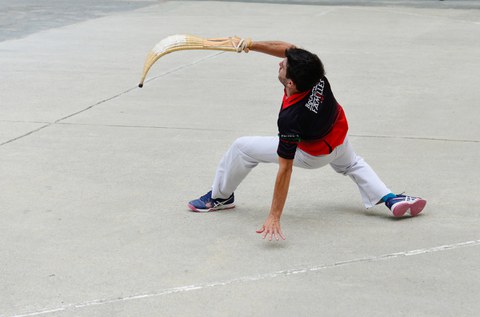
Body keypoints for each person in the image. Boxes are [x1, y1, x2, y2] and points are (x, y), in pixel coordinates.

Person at [187, 40, 427, 241]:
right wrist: (249, 44)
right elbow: (288, 49)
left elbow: (285, 168)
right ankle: (390, 198)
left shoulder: (291, 117)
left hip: (313, 155)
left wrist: (274, 215)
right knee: (353, 164)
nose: (280, 62)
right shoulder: (314, 72)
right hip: (339, 138)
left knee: (241, 148)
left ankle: (220, 197)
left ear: (290, 83)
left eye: (283, 66)